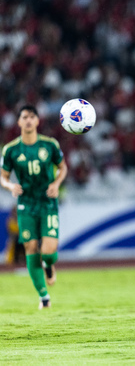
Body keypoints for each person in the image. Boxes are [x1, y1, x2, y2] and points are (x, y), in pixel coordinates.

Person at [1, 105, 68, 309]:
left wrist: (56, 184)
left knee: (47, 252)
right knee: (30, 247)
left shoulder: (50, 145)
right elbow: (3, 177)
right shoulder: (11, 149)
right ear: (19, 122)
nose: (28, 120)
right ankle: (44, 297)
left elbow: (63, 167)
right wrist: (11, 185)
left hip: (47, 202)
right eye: (24, 117)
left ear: (38, 121)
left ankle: (48, 264)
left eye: (32, 117)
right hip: (26, 205)